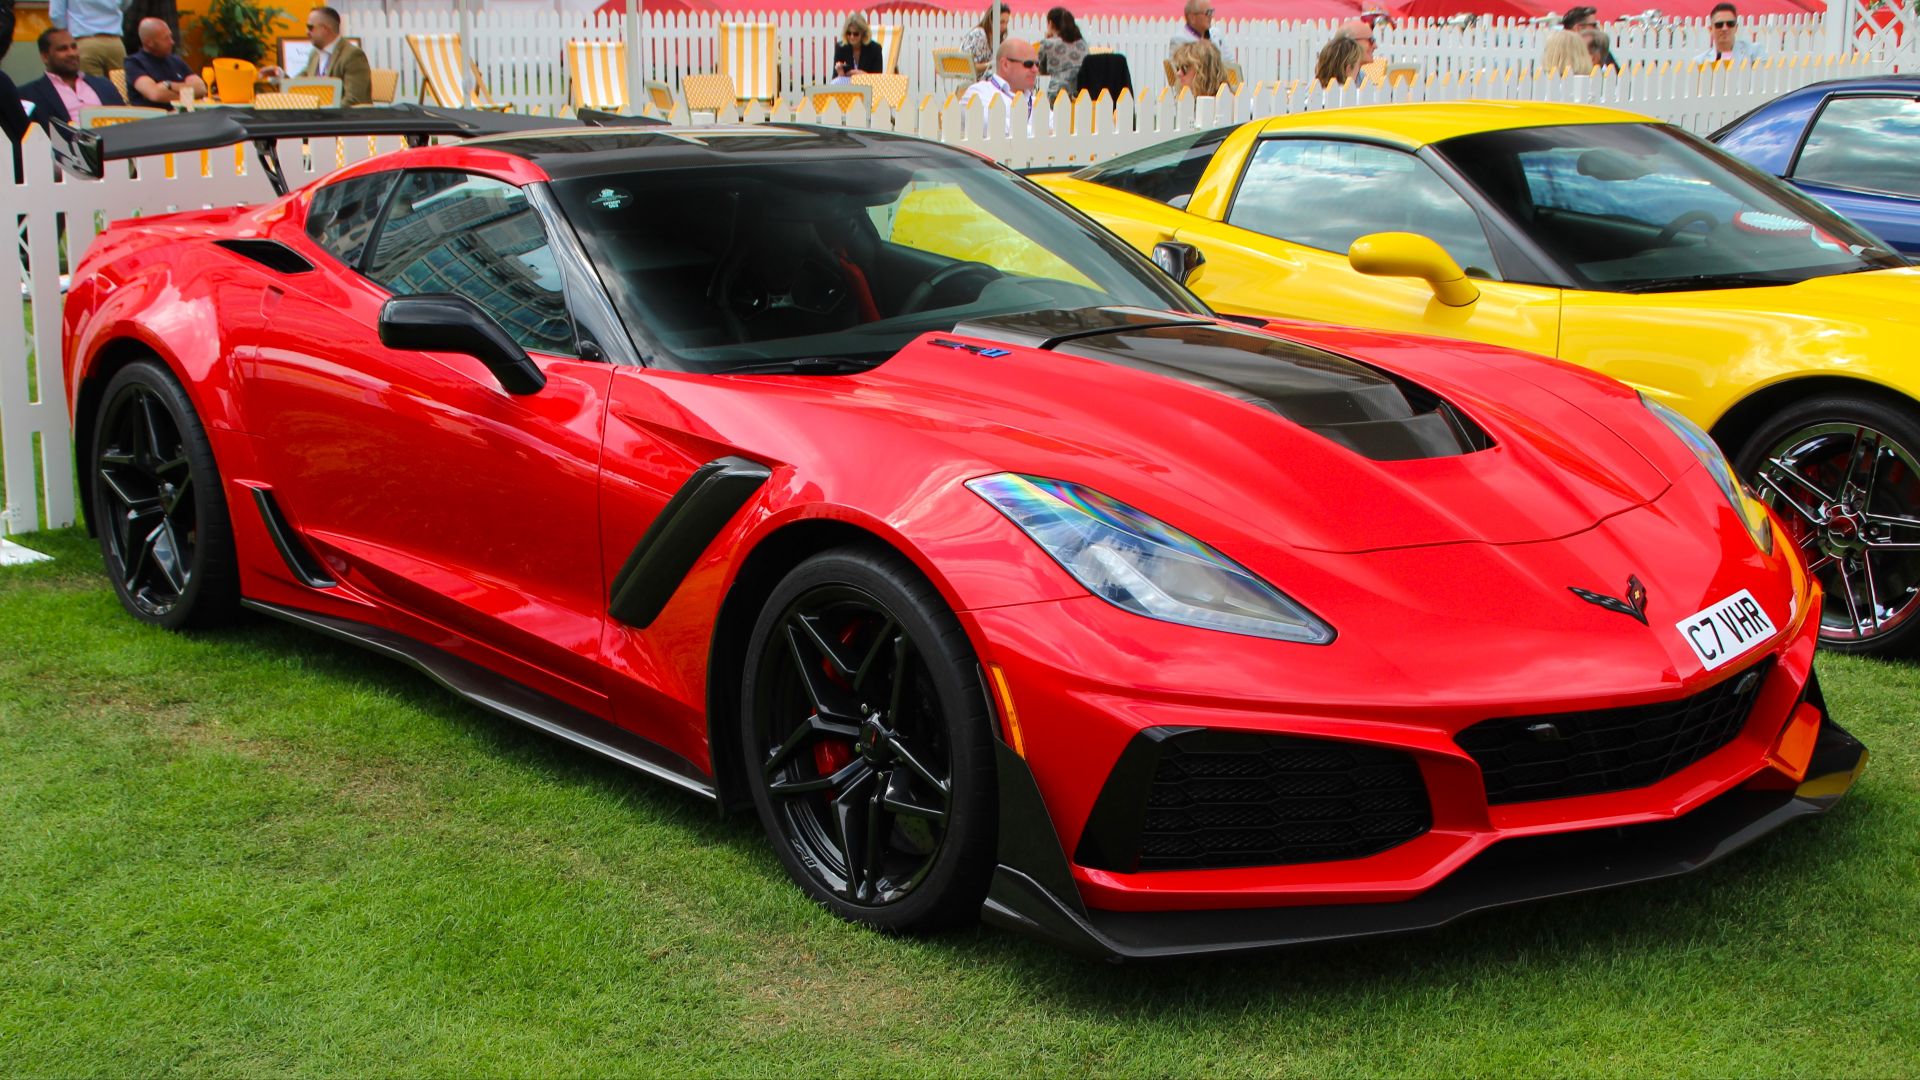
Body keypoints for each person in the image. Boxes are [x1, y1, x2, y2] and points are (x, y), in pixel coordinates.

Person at [18, 28, 127, 133]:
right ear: (45, 57)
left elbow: (126, 124)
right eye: (63, 49)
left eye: (74, 47)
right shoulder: (29, 95)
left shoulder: (104, 85)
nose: (72, 53)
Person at [259, 6, 372, 106]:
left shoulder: (353, 55)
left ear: (325, 29)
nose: (306, 31)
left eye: (310, 27)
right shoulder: (315, 54)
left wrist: (324, 114)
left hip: (343, 121)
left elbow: (355, 100)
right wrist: (280, 75)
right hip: (318, 118)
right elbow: (300, 85)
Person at [962, 37, 1050, 135]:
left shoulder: (1034, 101)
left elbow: (1057, 127)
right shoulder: (977, 92)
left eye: (1037, 64)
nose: (1035, 70)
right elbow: (993, 124)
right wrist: (1040, 133)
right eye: (1028, 64)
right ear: (1005, 65)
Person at [124, 16, 205, 110]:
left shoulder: (175, 60)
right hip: (154, 116)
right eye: (166, 38)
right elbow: (155, 94)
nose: (172, 42)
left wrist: (169, 85)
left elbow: (201, 89)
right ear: (149, 43)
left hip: (182, 114)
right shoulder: (134, 63)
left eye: (171, 36)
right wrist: (189, 95)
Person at [49, 0, 128, 79]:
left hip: (84, 43)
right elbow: (125, 4)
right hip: (115, 43)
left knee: (91, 85)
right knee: (121, 85)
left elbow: (56, 15)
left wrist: (66, 36)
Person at [1037, 6, 1087, 100]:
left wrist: (1048, 39)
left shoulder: (1047, 43)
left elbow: (1041, 69)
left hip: (1058, 92)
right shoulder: (1082, 43)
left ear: (1050, 23)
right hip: (1082, 93)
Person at [1693, 2, 1767, 63]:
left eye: (1730, 24)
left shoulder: (1755, 52)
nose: (1725, 28)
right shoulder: (1700, 61)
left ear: (1736, 28)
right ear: (1710, 29)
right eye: (1719, 24)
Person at [961, 3, 1011, 79]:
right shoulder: (979, 35)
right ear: (991, 20)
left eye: (1006, 22)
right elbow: (969, 66)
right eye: (1001, 22)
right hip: (975, 81)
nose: (1005, 26)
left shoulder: (996, 37)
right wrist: (991, 64)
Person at [831, 13, 883, 79]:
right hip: (846, 84)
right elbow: (835, 78)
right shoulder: (840, 47)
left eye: (856, 34)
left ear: (863, 34)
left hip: (868, 84)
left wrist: (858, 73)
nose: (852, 37)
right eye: (849, 33)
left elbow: (878, 78)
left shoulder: (875, 49)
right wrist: (840, 73)